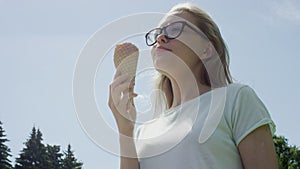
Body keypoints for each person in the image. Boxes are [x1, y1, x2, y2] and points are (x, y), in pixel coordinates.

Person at [108, 2, 278, 169]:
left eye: (175, 29)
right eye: (157, 34)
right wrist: (125, 131)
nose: (160, 38)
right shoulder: (143, 132)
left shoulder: (235, 99)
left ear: (206, 49)